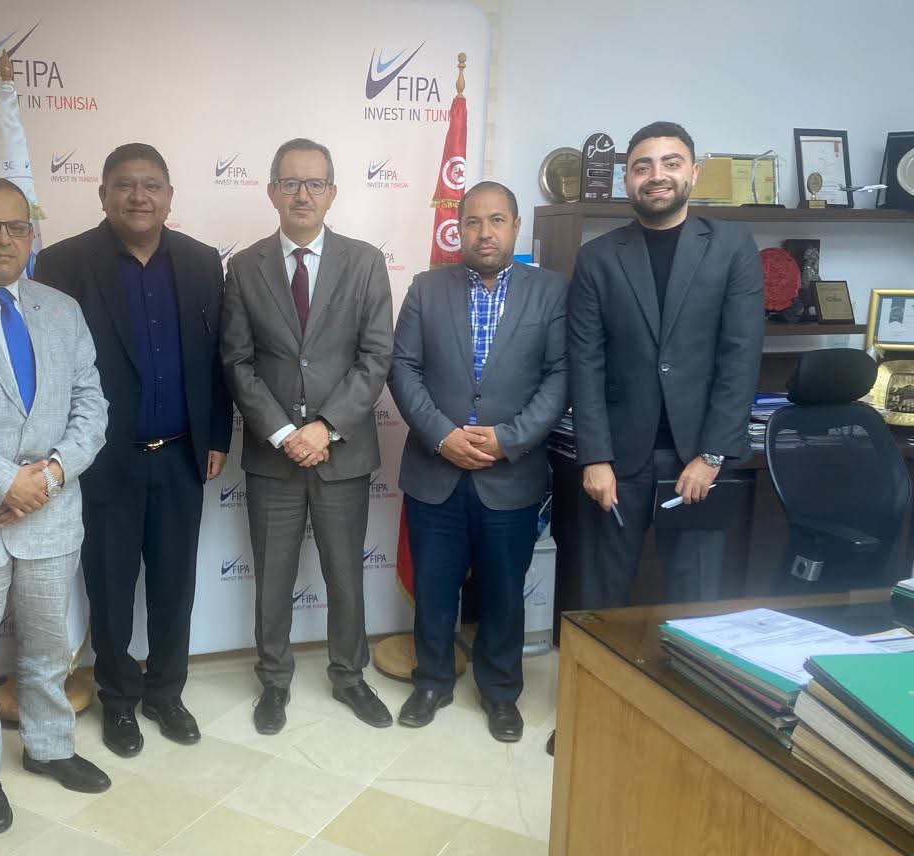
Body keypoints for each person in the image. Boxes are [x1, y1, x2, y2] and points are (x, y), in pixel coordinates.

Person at [558, 120, 763, 753]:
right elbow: (585, 362)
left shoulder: (731, 247)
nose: (657, 175)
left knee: (694, 594)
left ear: (693, 172)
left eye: (671, 162)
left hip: (695, 457)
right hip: (619, 458)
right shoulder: (599, 257)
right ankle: (588, 709)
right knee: (601, 595)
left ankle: (689, 720)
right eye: (643, 165)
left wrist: (712, 454)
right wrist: (594, 456)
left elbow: (740, 357)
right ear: (628, 178)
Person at [32, 144, 231, 757]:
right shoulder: (63, 263)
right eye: (124, 185)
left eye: (151, 185)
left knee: (175, 585)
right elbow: (50, 367)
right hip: (102, 460)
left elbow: (216, 357)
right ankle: (118, 699)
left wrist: (217, 435)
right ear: (103, 194)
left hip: (181, 455)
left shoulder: (201, 261)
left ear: (169, 196)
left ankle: (167, 692)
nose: (138, 196)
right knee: (110, 587)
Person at [0, 177, 111, 835]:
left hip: (52, 511)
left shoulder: (61, 308)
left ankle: (50, 747)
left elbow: (92, 404)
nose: (4, 239)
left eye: (16, 227)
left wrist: (51, 476)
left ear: (31, 236)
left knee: (47, 645)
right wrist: (4, 483)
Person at [221, 137, 394, 734]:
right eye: (290, 183)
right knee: (272, 578)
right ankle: (274, 681)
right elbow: (237, 361)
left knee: (346, 575)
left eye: (314, 183)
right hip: (274, 457)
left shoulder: (365, 262)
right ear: (271, 191)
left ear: (332, 193)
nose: (302, 194)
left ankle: (349, 676)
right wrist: (282, 432)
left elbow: (376, 356)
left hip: (342, 453)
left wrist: (325, 427)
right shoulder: (245, 267)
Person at [388, 181, 568, 741]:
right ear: (458, 229)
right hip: (435, 469)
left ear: (516, 227)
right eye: (472, 221)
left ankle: (500, 692)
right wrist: (442, 435)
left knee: (504, 593)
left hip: (510, 473)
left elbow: (560, 376)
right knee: (434, 588)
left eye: (496, 220)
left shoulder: (551, 291)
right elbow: (402, 368)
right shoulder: (426, 288)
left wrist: (508, 439)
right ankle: (432, 682)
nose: (484, 232)